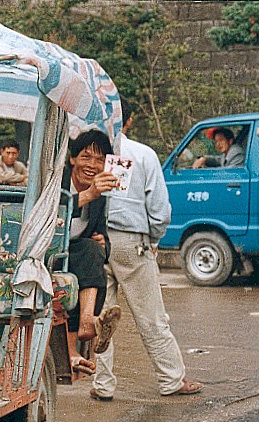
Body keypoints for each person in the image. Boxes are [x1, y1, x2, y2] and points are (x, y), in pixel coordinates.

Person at [90, 102, 204, 400]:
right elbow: (160, 210)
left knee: (101, 315)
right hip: (130, 242)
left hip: (94, 240)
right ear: (128, 120)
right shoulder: (141, 154)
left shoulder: (87, 155)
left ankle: (102, 385)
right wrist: (154, 239)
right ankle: (171, 378)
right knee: (151, 315)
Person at [62, 129, 122, 376]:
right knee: (87, 252)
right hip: (46, 250)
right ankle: (86, 326)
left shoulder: (100, 196)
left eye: (100, 160)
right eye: (86, 157)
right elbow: (51, 211)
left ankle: (88, 321)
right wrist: (88, 194)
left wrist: (103, 244)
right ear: (72, 159)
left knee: (93, 251)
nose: (93, 165)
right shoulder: (56, 180)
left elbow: (102, 235)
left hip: (76, 256)